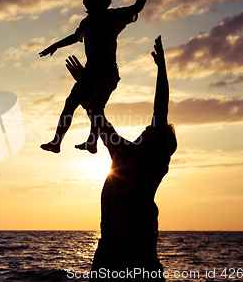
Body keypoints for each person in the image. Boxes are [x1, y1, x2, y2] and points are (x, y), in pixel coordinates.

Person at [66, 36, 176, 281]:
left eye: (153, 131)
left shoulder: (155, 161)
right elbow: (99, 118)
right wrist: (86, 82)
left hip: (138, 250)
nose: (147, 129)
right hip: (107, 249)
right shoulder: (122, 151)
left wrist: (162, 69)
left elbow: (161, 110)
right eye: (149, 129)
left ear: (163, 145)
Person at [39, 0, 161, 154]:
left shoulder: (112, 16)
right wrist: (55, 45)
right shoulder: (86, 22)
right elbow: (74, 36)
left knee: (96, 105)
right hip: (88, 72)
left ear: (105, 0)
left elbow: (137, 8)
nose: (87, 0)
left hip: (106, 72)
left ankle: (92, 141)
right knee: (70, 103)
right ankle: (56, 142)